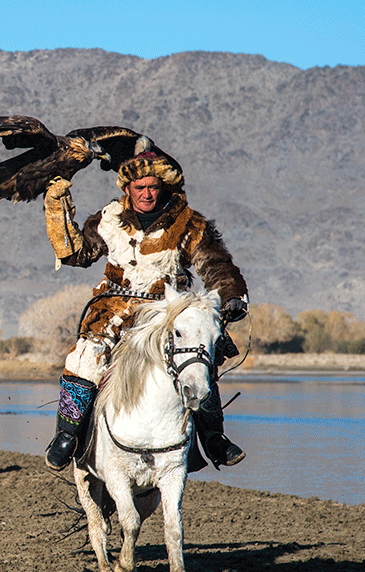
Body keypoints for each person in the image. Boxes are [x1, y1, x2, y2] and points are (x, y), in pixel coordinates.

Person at [42, 144, 249, 472]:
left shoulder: (188, 224)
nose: (147, 194)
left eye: (153, 187)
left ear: (163, 187)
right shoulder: (107, 219)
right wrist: (57, 211)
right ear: (127, 188)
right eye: (140, 187)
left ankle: (213, 438)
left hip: (168, 309)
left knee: (197, 359)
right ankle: (67, 435)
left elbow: (216, 264)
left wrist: (232, 295)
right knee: (84, 358)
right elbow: (77, 255)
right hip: (111, 307)